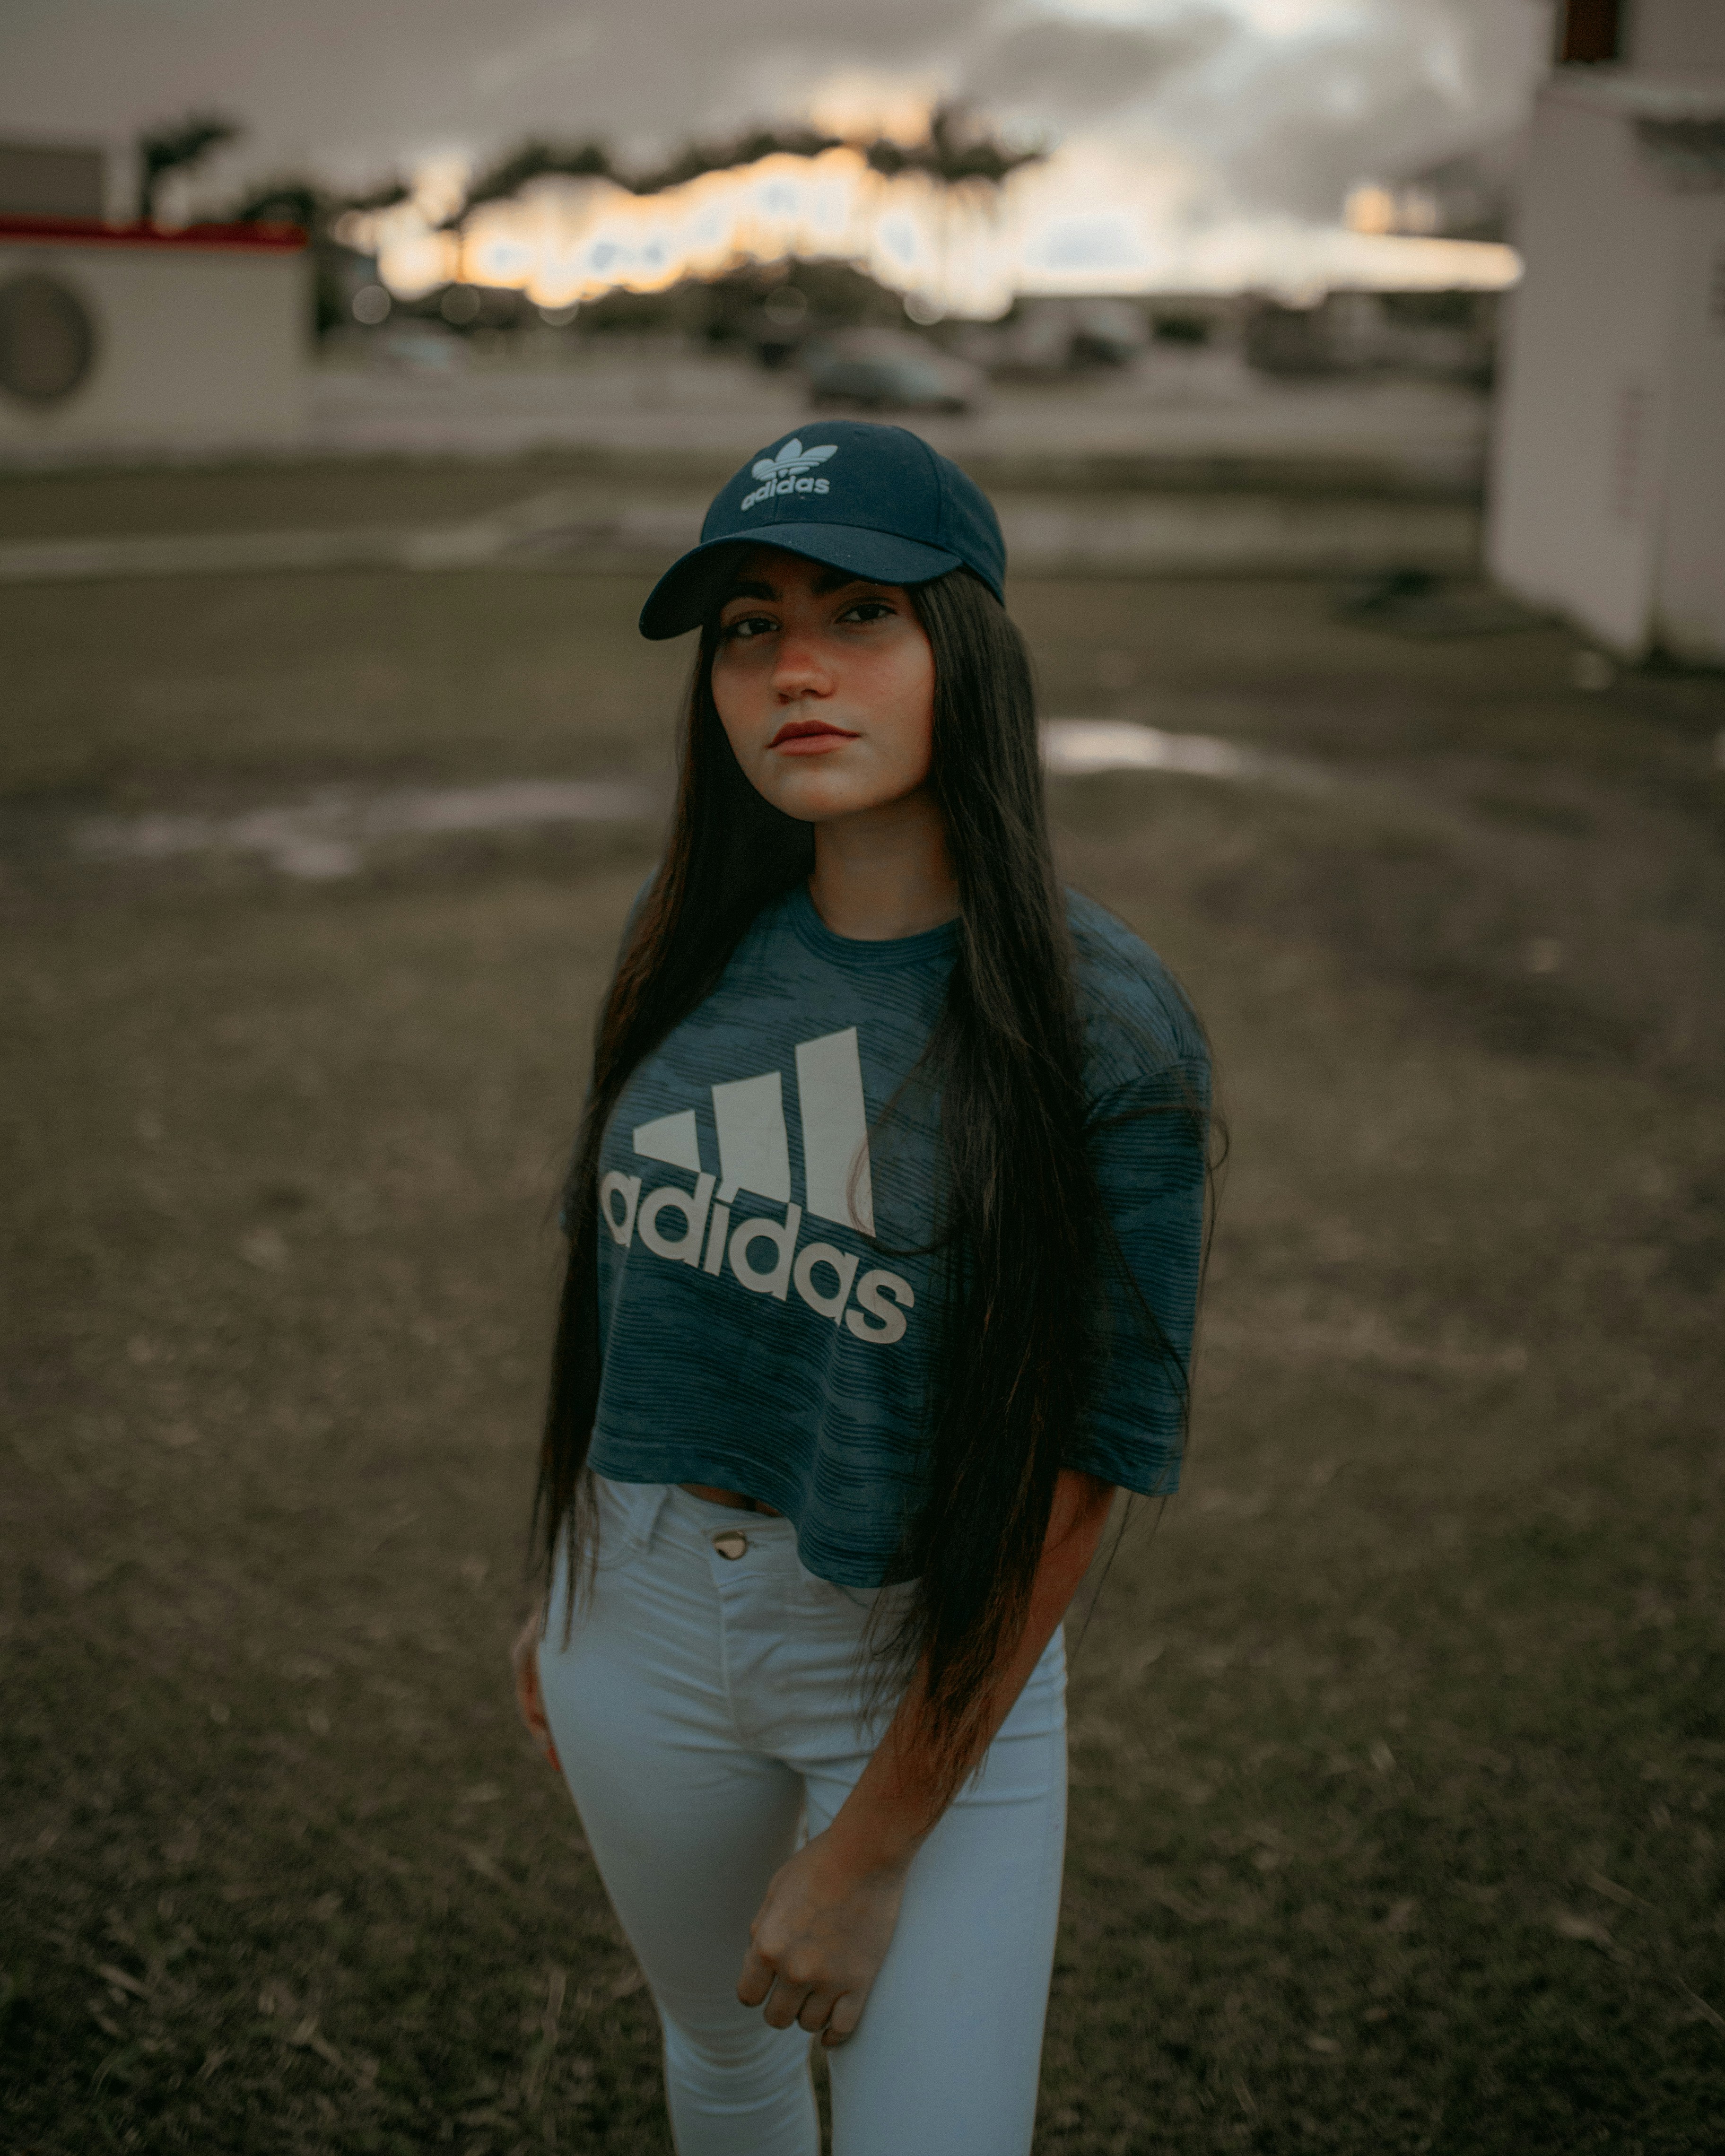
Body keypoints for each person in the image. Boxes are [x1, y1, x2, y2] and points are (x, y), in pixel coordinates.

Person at [511, 420, 1211, 2156]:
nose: (792, 671)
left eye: (856, 615)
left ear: (964, 650)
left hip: (918, 1652)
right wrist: (561, 1586)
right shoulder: (686, 943)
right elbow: (621, 1321)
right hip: (640, 1614)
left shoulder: (1109, 1029)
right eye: (748, 627)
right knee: (723, 2054)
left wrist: (875, 1840)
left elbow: (1085, 1469)